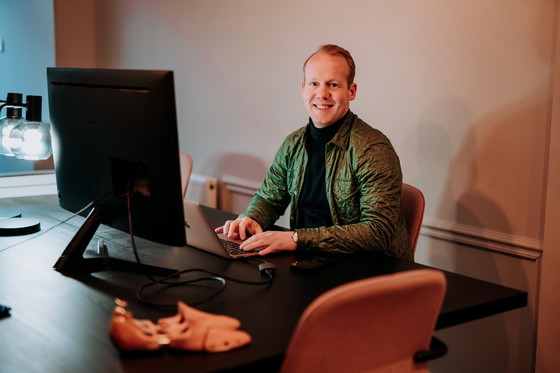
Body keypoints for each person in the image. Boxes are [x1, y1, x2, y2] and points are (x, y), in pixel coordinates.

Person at [216, 44, 412, 260]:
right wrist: (252, 217)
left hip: (367, 269)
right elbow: (270, 198)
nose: (322, 93)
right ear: (303, 89)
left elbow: (378, 232)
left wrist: (296, 239)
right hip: (309, 260)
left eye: (333, 84)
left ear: (351, 91)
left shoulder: (373, 149)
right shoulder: (293, 143)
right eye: (314, 83)